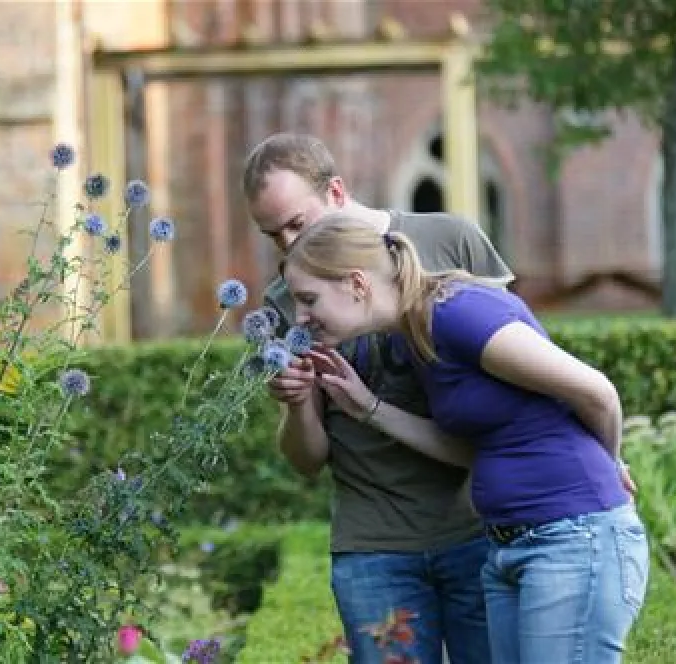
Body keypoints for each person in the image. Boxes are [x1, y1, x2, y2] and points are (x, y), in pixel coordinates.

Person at [280, 213, 650, 664]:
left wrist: (610, 468)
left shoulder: (457, 311)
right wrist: (368, 408)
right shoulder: (411, 334)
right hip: (509, 547)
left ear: (356, 283)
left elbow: (597, 393)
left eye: (308, 299)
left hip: (572, 539)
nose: (300, 317)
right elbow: (470, 451)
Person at [241, 133, 513, 663]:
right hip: (373, 549)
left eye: (299, 222)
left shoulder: (449, 240)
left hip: (478, 524)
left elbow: (525, 370)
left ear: (337, 191)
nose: (289, 243)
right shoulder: (284, 304)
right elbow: (306, 460)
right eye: (273, 234)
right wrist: (297, 403)